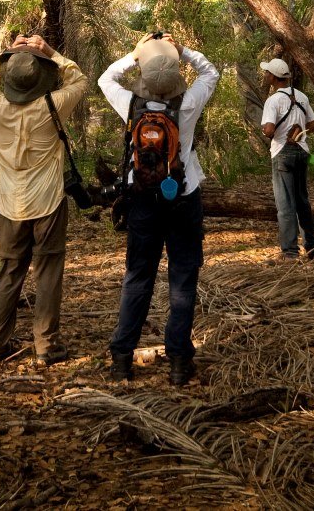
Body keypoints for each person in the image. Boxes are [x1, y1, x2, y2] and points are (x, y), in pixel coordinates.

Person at [100, 33, 219, 386]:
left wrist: (134, 55)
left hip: (142, 199)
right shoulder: (188, 102)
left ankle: (121, 359)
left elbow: (105, 78)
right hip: (184, 195)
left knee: (138, 278)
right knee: (182, 278)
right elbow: (211, 73)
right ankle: (179, 362)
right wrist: (184, 51)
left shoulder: (131, 104)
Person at [0, 34, 88, 366]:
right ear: (41, 77)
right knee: (48, 270)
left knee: (10, 269)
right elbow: (78, 78)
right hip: (48, 198)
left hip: (10, 202)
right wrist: (45, 50)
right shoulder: (53, 104)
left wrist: (10, 52)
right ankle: (46, 345)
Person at [259, 58, 314, 261]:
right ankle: (311, 250)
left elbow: (268, 130)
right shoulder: (302, 96)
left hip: (282, 154)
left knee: (285, 206)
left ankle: (290, 253)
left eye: (267, 73)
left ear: (274, 78)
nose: (265, 75)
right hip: (303, 152)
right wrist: (299, 132)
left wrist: (268, 131)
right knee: (303, 201)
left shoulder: (273, 100)